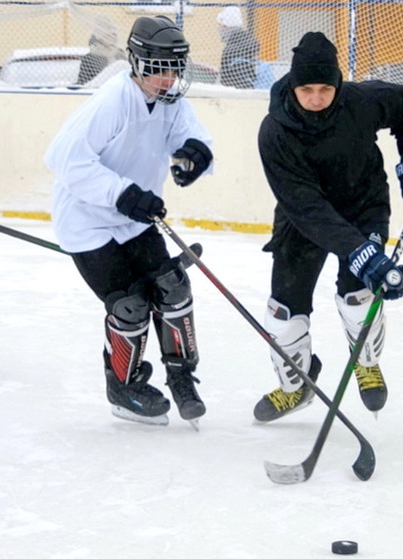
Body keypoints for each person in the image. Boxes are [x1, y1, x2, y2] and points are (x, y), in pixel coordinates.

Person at [253, 32, 403, 422]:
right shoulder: (274, 131)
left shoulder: (360, 102)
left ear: (338, 84)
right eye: (307, 89)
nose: (318, 98)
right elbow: (305, 206)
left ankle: (366, 363)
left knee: (359, 297)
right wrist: (359, 253)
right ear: (293, 85)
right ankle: (297, 387)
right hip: (303, 220)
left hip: (363, 206)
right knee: (282, 315)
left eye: (326, 88)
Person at [45, 16, 214, 427]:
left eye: (175, 68)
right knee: (130, 306)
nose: (169, 78)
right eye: (159, 68)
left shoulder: (171, 101)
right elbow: (63, 159)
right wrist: (123, 194)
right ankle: (123, 386)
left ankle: (181, 377)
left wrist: (195, 157)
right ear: (137, 63)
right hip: (88, 223)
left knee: (173, 290)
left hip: (134, 220)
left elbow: (195, 138)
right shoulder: (112, 100)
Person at [217, 6, 261, 89]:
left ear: (227, 26)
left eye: (221, 26)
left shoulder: (232, 50)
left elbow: (229, 80)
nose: (219, 29)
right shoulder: (248, 44)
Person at [78, 15, 126, 85]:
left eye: (114, 34)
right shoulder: (89, 58)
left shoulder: (120, 54)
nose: (112, 37)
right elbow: (83, 83)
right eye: (108, 35)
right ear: (100, 37)